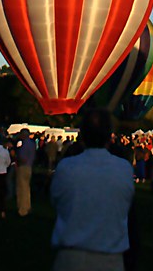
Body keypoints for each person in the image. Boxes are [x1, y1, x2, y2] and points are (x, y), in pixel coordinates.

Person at [50, 108, 134, 270]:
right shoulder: (124, 169)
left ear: (82, 137)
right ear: (109, 137)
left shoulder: (66, 167)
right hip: (111, 259)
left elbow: (56, 202)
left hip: (71, 257)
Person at [15, 128, 36, 216]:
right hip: (29, 167)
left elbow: (22, 157)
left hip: (23, 167)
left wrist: (17, 159)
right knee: (27, 188)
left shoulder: (24, 144)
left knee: (21, 188)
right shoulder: (32, 144)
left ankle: (22, 210)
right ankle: (27, 206)